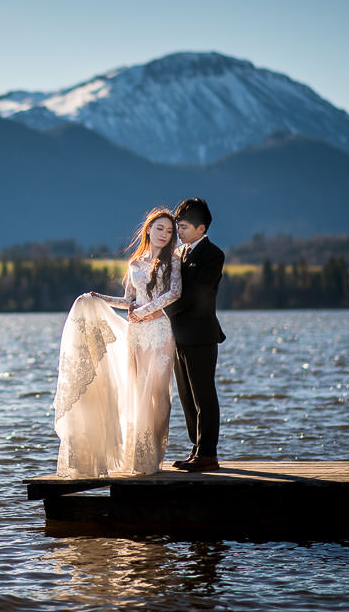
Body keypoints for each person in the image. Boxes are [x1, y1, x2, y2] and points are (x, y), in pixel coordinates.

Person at [53, 208, 181, 477]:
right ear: (148, 229)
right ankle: (140, 458)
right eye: (160, 229)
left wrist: (146, 312)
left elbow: (174, 292)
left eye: (169, 231)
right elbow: (129, 302)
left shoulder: (174, 260)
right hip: (137, 335)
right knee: (138, 395)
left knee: (158, 395)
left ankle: (155, 456)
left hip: (159, 331)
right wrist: (100, 298)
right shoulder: (134, 264)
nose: (165, 235)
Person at [164, 198, 225, 473]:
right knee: (187, 397)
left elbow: (196, 293)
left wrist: (160, 309)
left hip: (201, 336)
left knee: (203, 396)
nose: (180, 231)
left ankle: (208, 453)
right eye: (178, 226)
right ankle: (196, 450)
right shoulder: (180, 254)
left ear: (202, 228)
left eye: (185, 226)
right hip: (178, 336)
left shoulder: (213, 255)